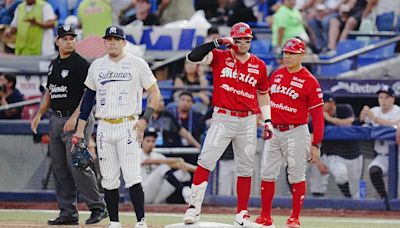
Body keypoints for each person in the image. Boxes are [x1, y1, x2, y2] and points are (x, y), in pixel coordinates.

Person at [182, 22, 273, 227]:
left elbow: (264, 94)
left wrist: (268, 120)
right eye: (239, 39)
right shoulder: (220, 56)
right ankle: (194, 207)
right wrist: (215, 43)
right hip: (223, 117)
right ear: (232, 39)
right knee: (206, 160)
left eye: (247, 40)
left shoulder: (258, 64)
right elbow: (192, 57)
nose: (243, 43)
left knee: (246, 167)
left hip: (249, 119)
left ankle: (242, 212)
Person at [73, 26, 161, 228]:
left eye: (116, 39)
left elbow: (155, 94)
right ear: (104, 42)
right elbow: (88, 100)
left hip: (128, 124)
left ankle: (141, 221)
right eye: (109, 39)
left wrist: (144, 119)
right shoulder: (97, 66)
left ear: (124, 42)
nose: (112, 42)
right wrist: (80, 130)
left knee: (132, 175)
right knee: (109, 178)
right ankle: (114, 222)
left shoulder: (137, 64)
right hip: (104, 126)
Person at [30, 25, 108, 226]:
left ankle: (98, 207)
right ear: (57, 41)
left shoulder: (81, 64)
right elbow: (50, 91)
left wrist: (75, 117)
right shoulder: (54, 64)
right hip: (55, 119)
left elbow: (88, 94)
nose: (69, 41)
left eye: (72, 38)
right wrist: (38, 115)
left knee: (78, 164)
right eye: (64, 38)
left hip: (77, 120)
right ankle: (68, 212)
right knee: (59, 167)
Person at [255, 38, 324, 228]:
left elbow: (318, 115)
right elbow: (265, 100)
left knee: (296, 175)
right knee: (267, 173)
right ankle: (265, 217)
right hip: (275, 130)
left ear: (302, 54)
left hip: (296, 131)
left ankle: (295, 218)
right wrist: (264, 121)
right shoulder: (276, 74)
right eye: (285, 52)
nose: (287, 56)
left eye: (292, 53)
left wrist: (316, 143)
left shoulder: (310, 80)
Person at [308, 92, 362, 199]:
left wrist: (329, 119)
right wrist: (318, 163)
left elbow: (349, 123)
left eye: (325, 103)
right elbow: (310, 139)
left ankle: (354, 205)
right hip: (333, 155)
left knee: (355, 189)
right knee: (339, 176)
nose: (322, 107)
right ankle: (347, 200)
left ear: (333, 103)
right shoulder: (317, 116)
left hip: (353, 154)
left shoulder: (345, 109)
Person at [360, 86, 400, 210]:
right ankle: (385, 200)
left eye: (387, 97)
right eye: (381, 97)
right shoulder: (375, 110)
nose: (383, 100)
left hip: (398, 155)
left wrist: (374, 118)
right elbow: (362, 121)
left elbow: (395, 124)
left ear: (393, 99)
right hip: (383, 156)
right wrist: (364, 113)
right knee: (373, 170)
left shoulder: (397, 110)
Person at [141, 128, 196, 204]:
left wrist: (200, 169)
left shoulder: (156, 155)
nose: (150, 144)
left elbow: (178, 165)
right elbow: (153, 161)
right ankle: (183, 190)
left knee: (183, 173)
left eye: (153, 141)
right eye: (148, 141)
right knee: (163, 167)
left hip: (156, 197)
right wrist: (177, 159)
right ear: (142, 141)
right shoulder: (138, 153)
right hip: (142, 194)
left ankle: (187, 193)